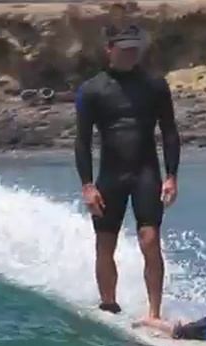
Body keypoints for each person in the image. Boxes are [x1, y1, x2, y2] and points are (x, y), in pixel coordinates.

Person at [74, 25, 181, 320]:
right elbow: (82, 141)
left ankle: (154, 314)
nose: (131, 53)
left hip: (146, 172)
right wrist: (87, 185)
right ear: (110, 49)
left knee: (150, 239)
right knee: (105, 242)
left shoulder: (155, 85)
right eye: (125, 48)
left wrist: (171, 176)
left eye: (135, 48)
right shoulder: (91, 90)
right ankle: (109, 304)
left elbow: (170, 132)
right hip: (110, 175)